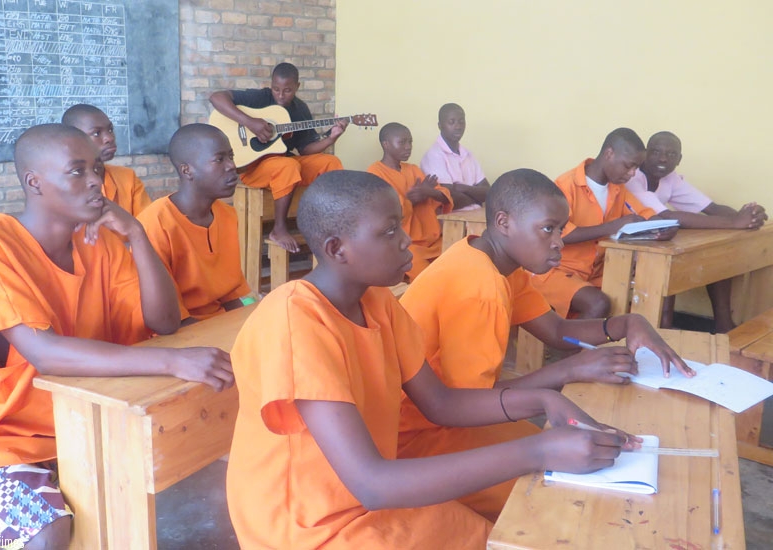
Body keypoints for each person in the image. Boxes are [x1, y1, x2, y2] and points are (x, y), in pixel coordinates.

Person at [226, 170, 640, 549]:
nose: (407, 240)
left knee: (503, 532)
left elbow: (442, 403)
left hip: (366, 501)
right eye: (390, 232)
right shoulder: (295, 321)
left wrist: (545, 402)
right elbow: (373, 484)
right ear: (338, 249)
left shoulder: (378, 302)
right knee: (523, 513)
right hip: (308, 526)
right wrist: (540, 449)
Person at [0, 124, 233, 550]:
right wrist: (174, 361)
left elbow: (165, 321)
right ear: (34, 182)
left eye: (97, 169)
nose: (96, 181)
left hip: (83, 418)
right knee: (44, 532)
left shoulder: (97, 242)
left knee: (184, 470)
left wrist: (137, 234)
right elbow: (46, 355)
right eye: (77, 171)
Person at [398, 168, 693, 520]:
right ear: (504, 222)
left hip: (448, 417)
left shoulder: (495, 260)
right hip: (416, 437)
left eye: (562, 230)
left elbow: (555, 330)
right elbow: (467, 404)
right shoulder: (481, 286)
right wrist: (570, 369)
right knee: (555, 499)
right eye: (548, 229)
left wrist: (627, 323)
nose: (559, 242)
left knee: (584, 455)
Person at [626, 131, 768, 332]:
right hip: (623, 247)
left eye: (671, 154)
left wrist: (747, 215)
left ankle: (723, 325)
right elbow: (669, 218)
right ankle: (662, 329)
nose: (663, 158)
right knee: (674, 260)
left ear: (679, 159)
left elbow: (711, 207)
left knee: (716, 255)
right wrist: (736, 222)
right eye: (656, 151)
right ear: (645, 153)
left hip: (655, 243)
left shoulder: (670, 178)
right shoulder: (632, 178)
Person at [530, 128, 675, 318]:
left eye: (636, 169)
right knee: (599, 303)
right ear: (609, 154)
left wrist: (664, 227)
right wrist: (614, 226)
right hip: (556, 270)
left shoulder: (617, 189)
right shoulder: (566, 186)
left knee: (638, 300)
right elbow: (560, 234)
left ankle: (589, 345)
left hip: (597, 272)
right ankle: (573, 347)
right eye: (628, 166)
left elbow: (643, 212)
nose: (632, 174)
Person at [209, 62, 345, 253]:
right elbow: (216, 98)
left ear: (297, 87)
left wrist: (331, 137)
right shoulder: (260, 97)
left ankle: (329, 224)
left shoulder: (300, 109)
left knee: (331, 162)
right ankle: (279, 229)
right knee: (288, 166)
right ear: (271, 85)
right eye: (276, 89)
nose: (280, 95)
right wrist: (250, 122)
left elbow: (306, 149)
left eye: (287, 90)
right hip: (254, 167)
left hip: (283, 164)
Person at [138, 123, 252, 324]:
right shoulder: (155, 223)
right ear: (187, 170)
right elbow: (166, 319)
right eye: (219, 159)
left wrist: (245, 327)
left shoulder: (227, 215)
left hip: (216, 324)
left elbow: (231, 295)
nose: (231, 166)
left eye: (231, 156)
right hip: (175, 332)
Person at [368, 122, 452, 281]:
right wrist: (413, 199)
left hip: (433, 241)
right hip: (403, 244)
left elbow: (444, 194)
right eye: (402, 142)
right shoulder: (375, 172)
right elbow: (387, 210)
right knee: (431, 280)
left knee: (458, 258)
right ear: (386, 144)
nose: (408, 147)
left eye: (410, 142)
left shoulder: (412, 169)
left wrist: (429, 192)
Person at [61, 103, 152, 216]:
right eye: (96, 133)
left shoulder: (127, 178)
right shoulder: (61, 185)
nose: (109, 138)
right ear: (72, 140)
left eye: (110, 130)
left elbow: (147, 228)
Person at [420, 103, 489, 211]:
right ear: (440, 125)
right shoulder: (434, 155)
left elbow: (488, 191)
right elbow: (449, 198)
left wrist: (464, 188)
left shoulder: (468, 155)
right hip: (451, 222)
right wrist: (477, 198)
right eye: (451, 122)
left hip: (476, 218)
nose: (458, 126)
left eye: (461, 121)